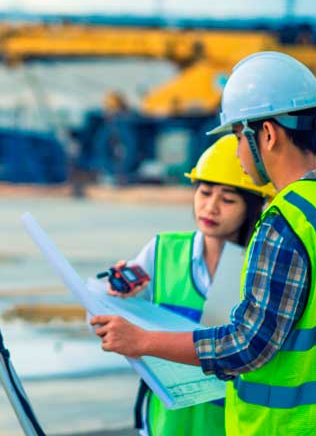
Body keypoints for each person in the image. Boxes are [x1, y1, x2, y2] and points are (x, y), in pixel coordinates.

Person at [90, 51, 316, 434]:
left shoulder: (285, 223)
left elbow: (247, 344)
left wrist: (142, 341)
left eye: (239, 135)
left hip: (290, 426)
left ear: (268, 135)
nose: (237, 151)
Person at [108, 134, 274, 436]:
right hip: (165, 422)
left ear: (252, 206)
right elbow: (109, 321)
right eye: (204, 192)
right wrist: (119, 295)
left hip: (229, 424)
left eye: (227, 199)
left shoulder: (259, 266)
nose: (210, 207)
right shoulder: (162, 251)